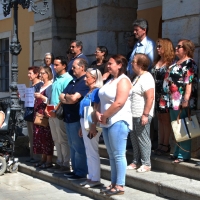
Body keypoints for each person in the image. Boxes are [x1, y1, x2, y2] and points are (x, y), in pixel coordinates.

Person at [96, 55, 132, 196]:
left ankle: (120, 185)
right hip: (106, 121)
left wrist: (104, 115)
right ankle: (113, 183)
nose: (108, 66)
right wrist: (98, 113)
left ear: (120, 65)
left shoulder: (123, 80)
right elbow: (102, 98)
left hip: (118, 120)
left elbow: (119, 102)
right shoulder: (111, 80)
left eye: (111, 63)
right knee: (111, 155)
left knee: (118, 154)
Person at [163, 39, 198, 163]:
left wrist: (186, 99)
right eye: (176, 46)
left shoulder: (190, 63)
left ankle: (184, 154)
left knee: (183, 126)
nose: (176, 48)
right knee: (176, 126)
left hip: (181, 100)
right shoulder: (176, 62)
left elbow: (189, 82)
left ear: (186, 49)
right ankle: (177, 151)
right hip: (172, 99)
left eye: (179, 47)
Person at [59, 58, 89, 180]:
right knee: (72, 145)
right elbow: (61, 95)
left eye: (74, 67)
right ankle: (75, 170)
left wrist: (67, 98)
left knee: (78, 146)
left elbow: (73, 99)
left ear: (82, 67)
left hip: (76, 118)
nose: (72, 69)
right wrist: (68, 97)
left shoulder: (84, 82)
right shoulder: (73, 81)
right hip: (68, 117)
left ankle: (81, 172)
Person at [128, 53, 155, 173]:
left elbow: (150, 97)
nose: (131, 63)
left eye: (133, 61)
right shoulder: (137, 77)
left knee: (143, 138)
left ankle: (146, 163)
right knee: (134, 138)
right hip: (133, 114)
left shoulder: (147, 77)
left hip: (141, 114)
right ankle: (135, 160)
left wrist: (145, 114)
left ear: (140, 64)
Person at [46, 56, 73, 173]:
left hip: (60, 112)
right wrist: (48, 109)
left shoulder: (67, 78)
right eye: (54, 65)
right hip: (52, 111)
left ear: (64, 65)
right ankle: (59, 161)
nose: (54, 67)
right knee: (56, 138)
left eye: (57, 65)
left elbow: (63, 97)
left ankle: (66, 163)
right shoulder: (56, 78)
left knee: (63, 138)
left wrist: (55, 110)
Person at [79, 68, 103, 188]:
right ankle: (91, 176)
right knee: (88, 151)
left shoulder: (96, 91)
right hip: (85, 122)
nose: (85, 78)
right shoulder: (89, 91)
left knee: (92, 150)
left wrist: (93, 125)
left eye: (87, 76)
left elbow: (96, 109)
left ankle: (95, 178)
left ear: (94, 78)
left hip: (91, 123)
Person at [151, 38, 175, 155]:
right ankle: (161, 143)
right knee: (159, 119)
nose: (157, 48)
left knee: (165, 120)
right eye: (157, 46)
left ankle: (166, 144)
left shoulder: (171, 63)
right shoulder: (157, 61)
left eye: (160, 46)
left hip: (165, 95)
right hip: (156, 94)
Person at [33, 67, 54, 169]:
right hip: (38, 113)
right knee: (40, 137)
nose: (40, 75)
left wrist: (41, 97)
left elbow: (51, 100)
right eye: (40, 73)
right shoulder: (41, 85)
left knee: (47, 137)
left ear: (47, 74)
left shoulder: (50, 85)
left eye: (42, 73)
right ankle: (43, 159)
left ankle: (49, 160)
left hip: (45, 113)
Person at [25, 66, 43, 163]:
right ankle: (32, 155)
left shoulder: (40, 85)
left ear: (36, 74)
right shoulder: (32, 86)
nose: (28, 75)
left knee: (37, 135)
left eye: (30, 73)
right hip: (29, 113)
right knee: (31, 136)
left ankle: (37, 157)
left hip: (35, 113)